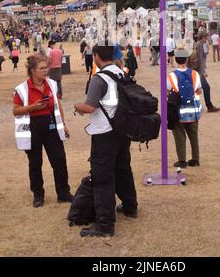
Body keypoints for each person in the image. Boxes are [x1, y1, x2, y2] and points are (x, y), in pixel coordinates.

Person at [74, 42, 138, 237]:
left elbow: (90, 107)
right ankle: (130, 207)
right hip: (122, 131)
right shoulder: (122, 72)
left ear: (95, 55)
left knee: (102, 177)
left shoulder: (99, 78)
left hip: (104, 133)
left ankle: (104, 225)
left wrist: (77, 106)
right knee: (123, 169)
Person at [13, 54, 72, 207]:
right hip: (32, 128)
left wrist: (63, 124)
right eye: (42, 68)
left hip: (51, 126)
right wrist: (32, 107)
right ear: (32, 70)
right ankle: (38, 195)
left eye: (47, 67)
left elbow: (58, 105)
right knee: (35, 163)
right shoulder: (21, 89)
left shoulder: (52, 84)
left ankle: (63, 193)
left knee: (59, 160)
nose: (46, 71)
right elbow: (16, 111)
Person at [168, 49, 203, 168]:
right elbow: (199, 91)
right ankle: (195, 159)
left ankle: (182, 160)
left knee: (179, 136)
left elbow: (168, 92)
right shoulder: (195, 74)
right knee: (194, 136)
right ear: (187, 59)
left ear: (176, 60)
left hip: (178, 111)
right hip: (193, 111)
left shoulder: (172, 76)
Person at [194, 32, 220, 113]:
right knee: (205, 88)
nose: (207, 39)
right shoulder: (199, 45)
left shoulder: (202, 44)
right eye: (206, 37)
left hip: (198, 70)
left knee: (199, 88)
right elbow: (200, 59)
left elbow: (204, 55)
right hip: (198, 71)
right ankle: (209, 106)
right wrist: (203, 71)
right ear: (203, 37)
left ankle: (208, 106)